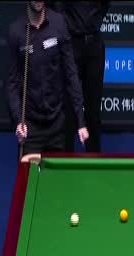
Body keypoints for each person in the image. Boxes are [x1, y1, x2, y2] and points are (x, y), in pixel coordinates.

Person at [6, 1, 89, 156]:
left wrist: (81, 122)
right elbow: (12, 83)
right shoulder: (16, 31)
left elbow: (71, 73)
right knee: (28, 171)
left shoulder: (59, 23)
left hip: (57, 125)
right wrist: (18, 121)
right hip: (30, 127)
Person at [55, 1, 110, 153]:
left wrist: (92, 21)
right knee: (68, 105)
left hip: (94, 43)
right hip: (70, 42)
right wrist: (69, 25)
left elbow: (105, 5)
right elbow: (57, 6)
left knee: (93, 107)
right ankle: (65, 156)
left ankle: (94, 157)